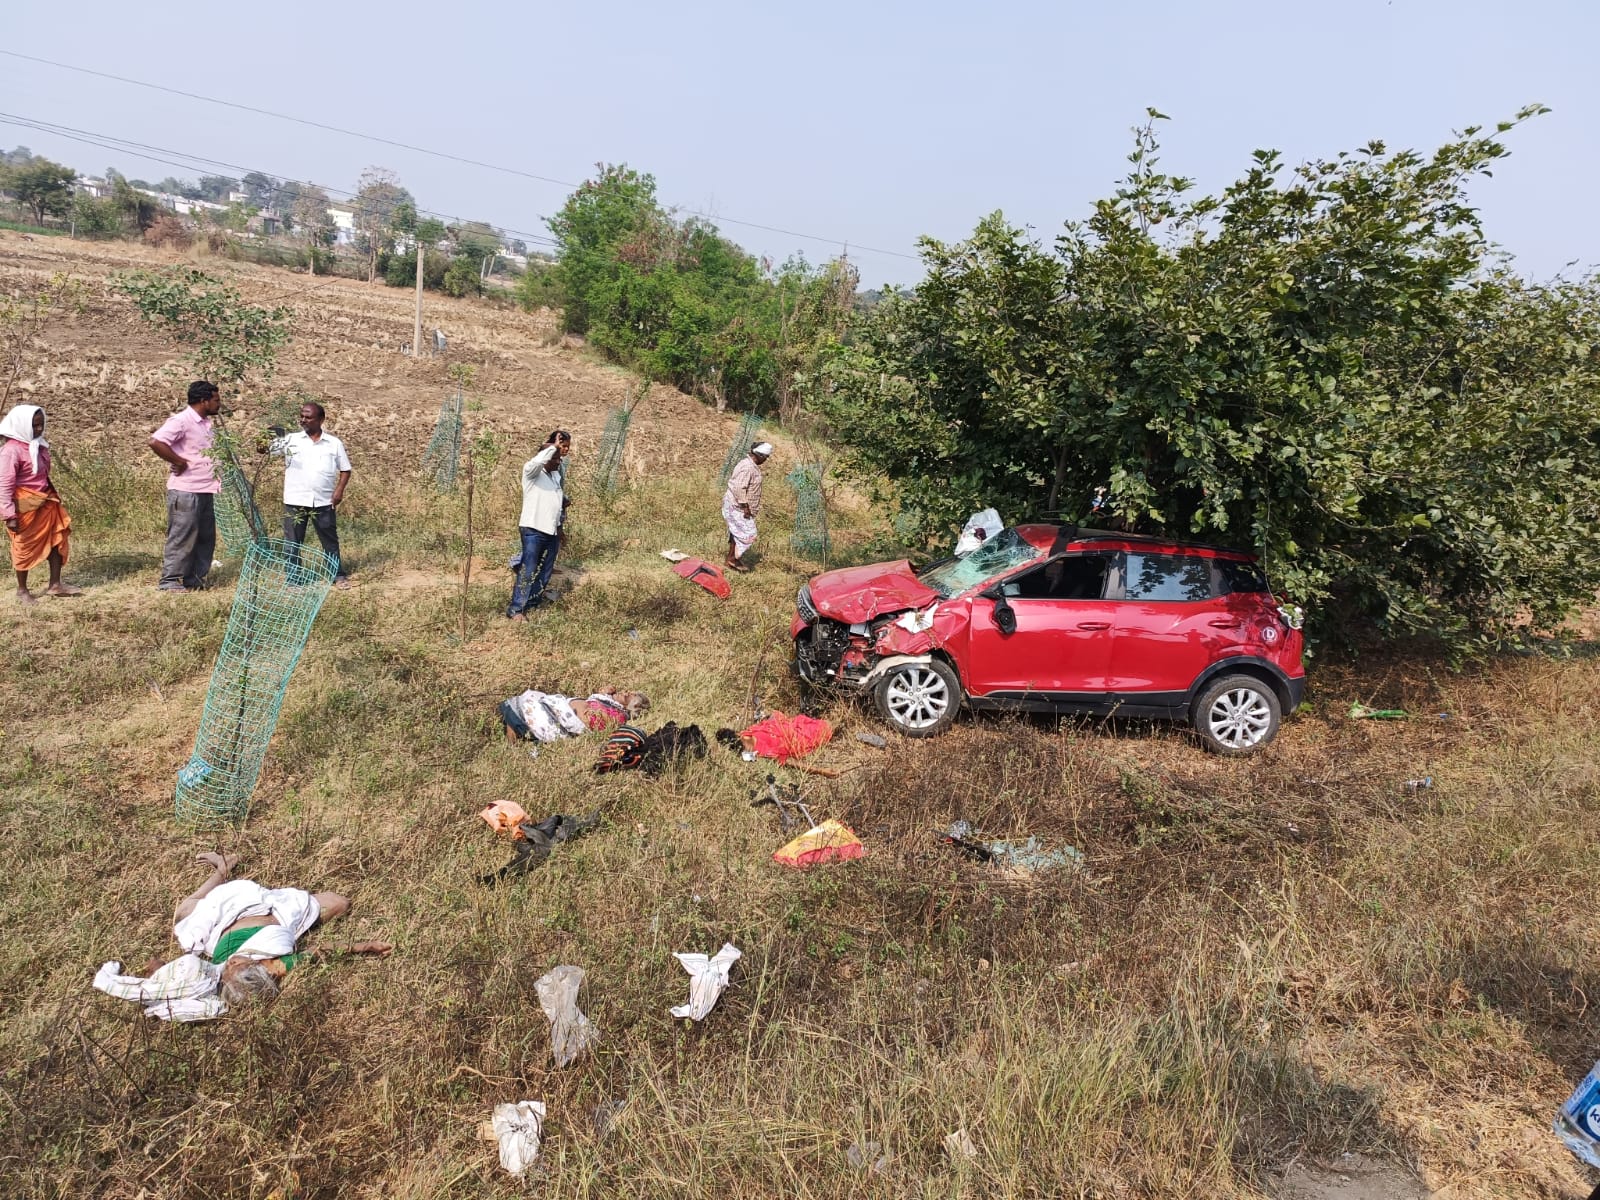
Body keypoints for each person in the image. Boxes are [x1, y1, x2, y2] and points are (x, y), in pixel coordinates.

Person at [151, 852, 387, 1009]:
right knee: (339, 903)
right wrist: (366, 946)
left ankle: (223, 868)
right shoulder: (273, 967)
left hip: (227, 915)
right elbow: (319, 951)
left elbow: (166, 974)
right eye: (237, 966)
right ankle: (228, 870)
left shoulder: (212, 977)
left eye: (231, 968)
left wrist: (156, 970)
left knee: (182, 913)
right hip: (281, 912)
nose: (231, 964)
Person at [264, 401, 352, 588]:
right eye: (302, 416)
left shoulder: (334, 444)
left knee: (329, 541)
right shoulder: (291, 440)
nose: (303, 420)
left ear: (321, 420)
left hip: (323, 501)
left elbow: (345, 470)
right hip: (295, 500)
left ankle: (337, 575)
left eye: (308, 417)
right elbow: (264, 450)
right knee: (293, 542)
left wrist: (339, 491)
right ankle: (294, 580)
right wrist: (266, 435)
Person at [1, 404, 80, 604]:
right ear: (22, 425)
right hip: (25, 506)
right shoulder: (11, 451)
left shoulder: (39, 445)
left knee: (56, 540)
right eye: (34, 426)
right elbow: (4, 485)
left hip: (45, 502)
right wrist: (9, 515)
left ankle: (55, 584)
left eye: (41, 425)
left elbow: (43, 475)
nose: (38, 430)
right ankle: (22, 590)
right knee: (23, 546)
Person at [149, 380, 223, 593]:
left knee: (205, 537)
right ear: (204, 401)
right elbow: (156, 442)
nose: (219, 404)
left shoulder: (205, 422)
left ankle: (195, 579)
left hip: (206, 488)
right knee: (182, 536)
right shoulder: (182, 421)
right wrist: (179, 461)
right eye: (216, 400)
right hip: (186, 490)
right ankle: (169, 581)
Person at [507, 430, 571, 621]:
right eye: (556, 457)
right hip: (533, 530)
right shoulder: (532, 472)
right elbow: (536, 462)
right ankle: (516, 610)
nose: (559, 461)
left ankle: (533, 601)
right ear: (546, 455)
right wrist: (552, 447)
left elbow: (556, 506)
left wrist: (559, 530)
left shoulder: (555, 477)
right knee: (529, 568)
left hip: (551, 531)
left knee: (545, 570)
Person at [500, 686, 650, 744]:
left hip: (562, 718)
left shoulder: (617, 716)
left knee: (516, 710)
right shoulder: (610, 702)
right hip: (558, 708)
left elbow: (592, 721)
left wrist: (588, 711)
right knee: (522, 704)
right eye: (628, 691)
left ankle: (511, 746)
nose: (626, 692)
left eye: (629, 696)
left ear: (633, 705)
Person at [722, 441, 772, 573]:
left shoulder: (750, 465)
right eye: (765, 457)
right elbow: (739, 487)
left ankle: (731, 559)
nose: (765, 460)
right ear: (759, 455)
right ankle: (733, 558)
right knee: (749, 534)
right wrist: (745, 507)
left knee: (736, 531)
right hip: (738, 505)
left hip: (738, 505)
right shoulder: (747, 467)